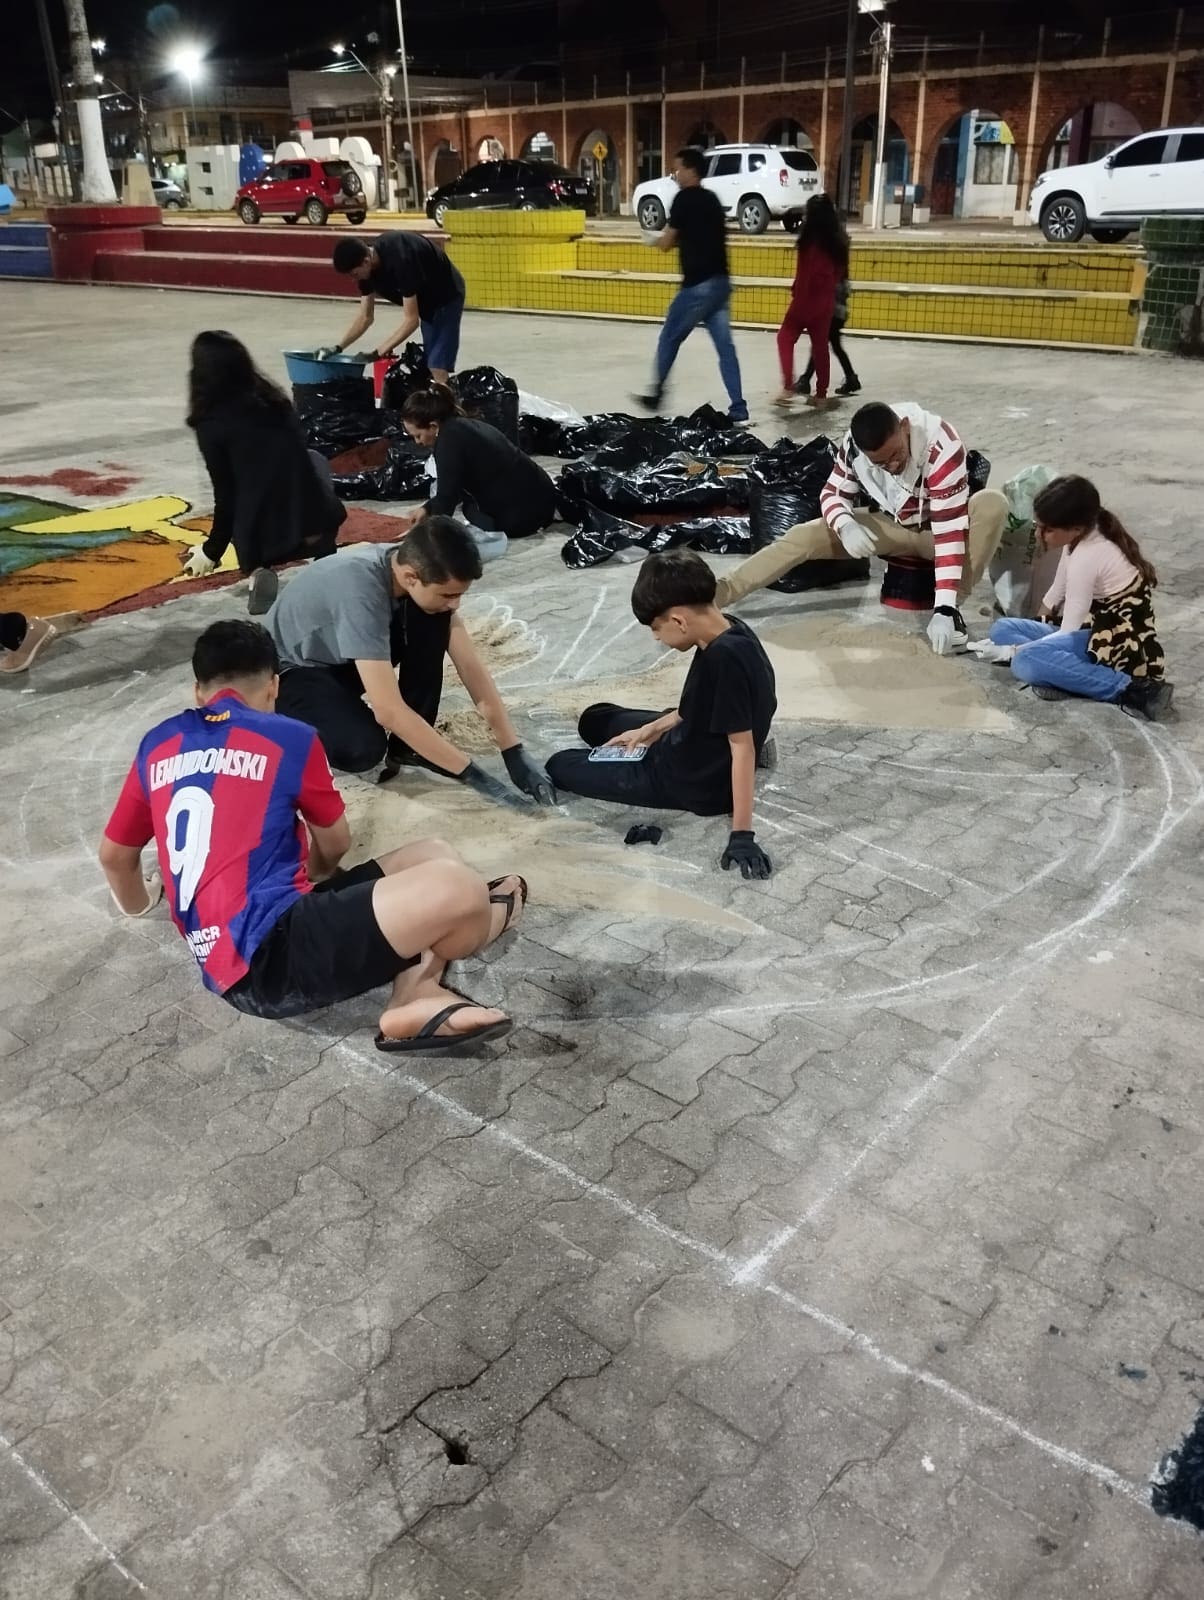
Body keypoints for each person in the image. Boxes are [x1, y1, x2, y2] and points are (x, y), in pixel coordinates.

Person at [99, 620, 525, 1051]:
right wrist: (319, 876)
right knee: (460, 889)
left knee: (433, 853)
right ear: (274, 686)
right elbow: (335, 843)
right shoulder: (288, 735)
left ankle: (416, 995)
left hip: (238, 952)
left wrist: (141, 905)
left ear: (197, 691)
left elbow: (115, 857)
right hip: (272, 956)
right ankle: (472, 929)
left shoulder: (158, 743)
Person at [267, 517, 556, 802]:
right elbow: (388, 711)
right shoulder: (361, 591)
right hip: (289, 673)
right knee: (361, 748)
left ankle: (410, 748)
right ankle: (277, 723)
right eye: (449, 594)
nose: (456, 604)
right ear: (410, 577)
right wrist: (473, 775)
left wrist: (512, 750)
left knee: (432, 616)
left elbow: (470, 667)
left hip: (339, 655)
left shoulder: (411, 566)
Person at [546, 550, 776, 880]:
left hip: (688, 781)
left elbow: (741, 747)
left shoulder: (725, 660)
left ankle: (738, 766)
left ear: (679, 620)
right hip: (691, 738)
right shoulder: (728, 630)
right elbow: (694, 705)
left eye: (656, 627)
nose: (655, 637)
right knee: (595, 718)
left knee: (559, 764)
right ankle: (662, 739)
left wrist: (742, 835)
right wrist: (648, 731)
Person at [714, 401, 1009, 656]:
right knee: (803, 535)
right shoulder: (854, 447)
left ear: (905, 427)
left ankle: (953, 612)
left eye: (896, 455)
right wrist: (845, 526)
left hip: (937, 529)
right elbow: (832, 493)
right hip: (891, 523)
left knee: (992, 503)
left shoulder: (942, 446)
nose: (892, 465)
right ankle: (720, 592)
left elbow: (949, 532)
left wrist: (944, 606)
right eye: (881, 462)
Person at [968, 474, 1172, 720]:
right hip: (1092, 629)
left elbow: (1068, 631)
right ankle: (1062, 672)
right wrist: (1033, 632)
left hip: (1116, 643)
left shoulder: (1089, 555)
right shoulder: (1079, 536)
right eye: (1038, 525)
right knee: (1002, 628)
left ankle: (1134, 690)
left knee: (1025, 662)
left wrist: (1013, 651)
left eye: (1047, 529)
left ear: (1075, 528)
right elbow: (1056, 592)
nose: (1038, 534)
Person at [180, 331, 347, 615]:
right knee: (313, 461)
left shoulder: (211, 425)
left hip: (264, 540)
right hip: (318, 518)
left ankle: (258, 572)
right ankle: (325, 556)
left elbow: (226, 495)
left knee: (246, 498)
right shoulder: (275, 402)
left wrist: (212, 550)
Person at [634, 148, 748, 424]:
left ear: (691, 170)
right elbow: (705, 237)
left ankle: (656, 392)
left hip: (698, 286)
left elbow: (667, 242)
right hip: (720, 283)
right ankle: (739, 407)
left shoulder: (683, 199)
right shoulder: (713, 200)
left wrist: (653, 240)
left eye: (678, 169)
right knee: (725, 348)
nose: (676, 174)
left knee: (670, 337)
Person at [399, 385, 557, 556]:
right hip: (545, 499)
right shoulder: (463, 424)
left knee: (469, 509)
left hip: (524, 517)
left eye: (418, 435)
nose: (417, 442)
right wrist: (427, 508)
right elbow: (454, 484)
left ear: (433, 426)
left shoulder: (448, 441)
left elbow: (448, 498)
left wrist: (426, 539)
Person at [330, 233, 466, 384]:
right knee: (429, 363)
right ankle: (439, 394)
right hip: (426, 301)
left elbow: (411, 321)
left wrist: (377, 352)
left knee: (437, 365)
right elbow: (365, 317)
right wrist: (337, 348)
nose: (353, 279)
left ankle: (447, 398)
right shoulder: (366, 272)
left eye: (354, 274)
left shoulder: (402, 261)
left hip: (446, 295)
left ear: (366, 261)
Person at [774, 193, 847, 412]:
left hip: (805, 300)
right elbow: (838, 274)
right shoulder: (837, 243)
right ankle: (821, 395)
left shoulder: (808, 241)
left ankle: (788, 386)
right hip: (825, 303)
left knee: (784, 338)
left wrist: (797, 293)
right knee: (820, 348)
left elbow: (804, 273)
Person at [798, 273, 860, 399]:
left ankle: (805, 380)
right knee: (834, 347)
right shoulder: (841, 272)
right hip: (840, 313)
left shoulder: (831, 271)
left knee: (819, 346)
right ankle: (851, 379)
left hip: (831, 313)